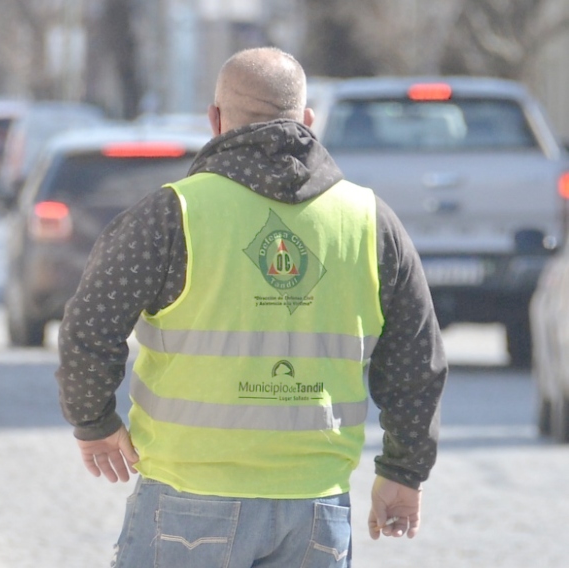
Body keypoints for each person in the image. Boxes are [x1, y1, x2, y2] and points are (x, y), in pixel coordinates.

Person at [56, 47, 447, 568]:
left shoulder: (173, 215)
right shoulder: (369, 221)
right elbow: (417, 361)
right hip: (315, 508)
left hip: (187, 497)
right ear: (307, 121)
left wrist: (94, 422)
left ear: (215, 120)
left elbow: (90, 326)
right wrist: (403, 472)